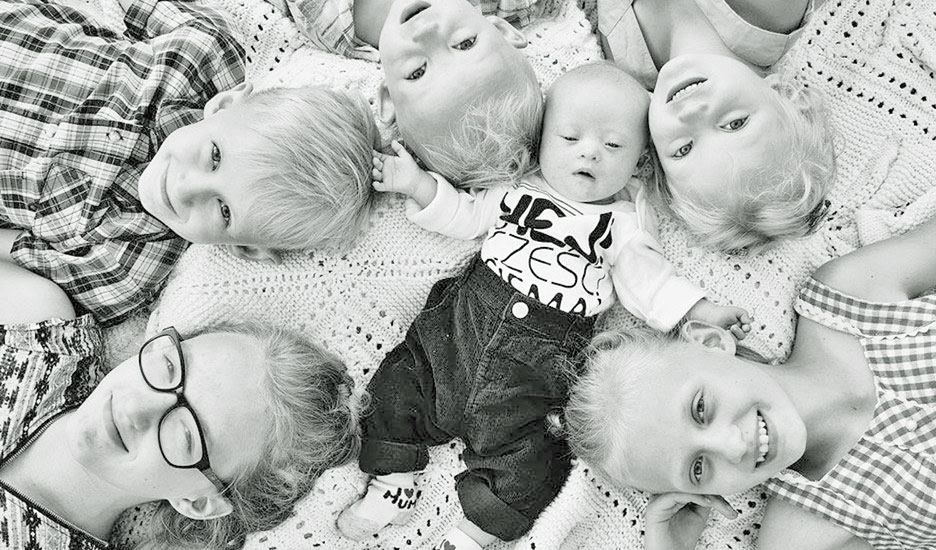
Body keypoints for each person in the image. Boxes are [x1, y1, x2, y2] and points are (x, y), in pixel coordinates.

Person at [335, 62, 751, 550]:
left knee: (536, 460)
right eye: (570, 137)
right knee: (401, 381)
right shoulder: (516, 188)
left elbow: (651, 284)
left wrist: (699, 312)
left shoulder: (622, 224)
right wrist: (415, 184)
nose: (590, 152)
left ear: (639, 161)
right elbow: (463, 215)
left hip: (536, 368)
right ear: (542, 139)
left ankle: (472, 535)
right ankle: (393, 482)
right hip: (461, 331)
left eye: (613, 145)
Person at [562, 192, 936, 549]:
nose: (732, 446)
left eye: (700, 408)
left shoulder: (847, 296)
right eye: (698, 469)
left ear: (711, 342)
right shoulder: (805, 529)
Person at [0, 0, 380, 326]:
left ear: (246, 249)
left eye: (224, 210)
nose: (185, 188)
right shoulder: (201, 55)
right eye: (214, 156)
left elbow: (15, 253)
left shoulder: (127, 267)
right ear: (225, 104)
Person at [0, 260, 364, 550]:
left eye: (185, 435)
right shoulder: (34, 332)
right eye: (169, 366)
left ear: (198, 502)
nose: (136, 407)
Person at [594, 0, 836, 250]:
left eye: (684, 149)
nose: (691, 112)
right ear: (783, 94)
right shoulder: (771, 11)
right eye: (735, 124)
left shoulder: (623, 63)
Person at [272, 0, 547, 189]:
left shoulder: (323, 20)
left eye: (417, 72)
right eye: (465, 43)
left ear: (388, 97)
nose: (426, 31)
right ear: (500, 29)